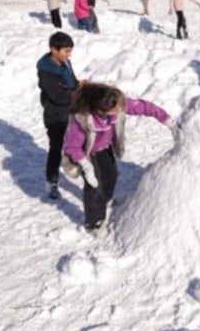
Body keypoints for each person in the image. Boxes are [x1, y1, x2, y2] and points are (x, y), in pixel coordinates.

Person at [62, 84, 179, 236]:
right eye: (116, 110)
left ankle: (105, 200)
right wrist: (86, 166)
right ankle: (94, 223)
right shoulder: (82, 120)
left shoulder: (116, 102)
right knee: (94, 187)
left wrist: (168, 121)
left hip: (105, 148)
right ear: (101, 110)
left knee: (110, 176)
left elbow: (145, 107)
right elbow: (72, 147)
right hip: (87, 154)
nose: (121, 109)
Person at [37, 32, 88, 199]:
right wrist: (77, 93)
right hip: (56, 116)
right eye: (66, 51)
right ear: (54, 50)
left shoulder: (66, 62)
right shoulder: (46, 71)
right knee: (56, 148)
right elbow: (58, 96)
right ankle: (51, 182)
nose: (69, 55)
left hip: (72, 111)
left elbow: (69, 83)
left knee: (80, 144)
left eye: (70, 51)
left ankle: (88, 181)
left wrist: (78, 84)